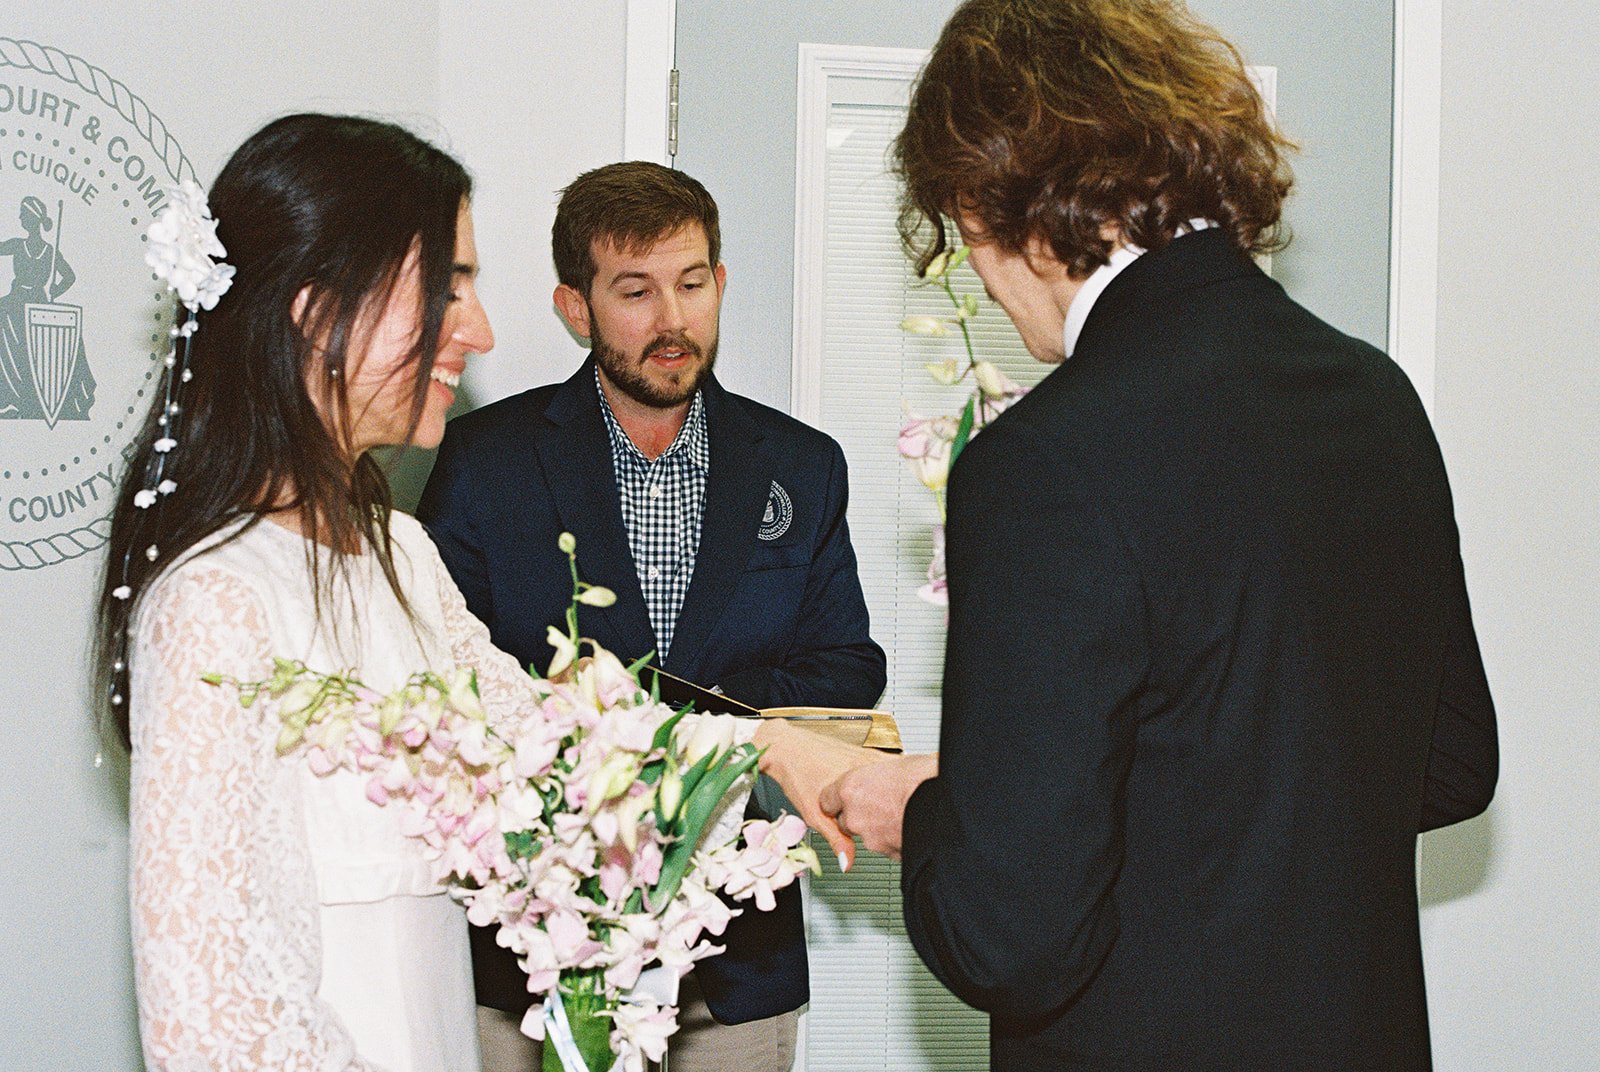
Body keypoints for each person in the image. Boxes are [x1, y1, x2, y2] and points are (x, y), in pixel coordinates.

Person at [96, 115, 858, 1072]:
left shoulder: (399, 557)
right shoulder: (218, 603)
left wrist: (777, 748)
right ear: (315, 308)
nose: (482, 329)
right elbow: (214, 1028)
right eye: (446, 287)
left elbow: (558, 738)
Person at [819, 2, 1499, 1070]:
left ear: (987, 195)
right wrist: (1042, 784)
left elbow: (1007, 935)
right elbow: (1449, 763)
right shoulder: (1375, 397)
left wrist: (939, 811)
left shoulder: (1043, 459)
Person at [417, 161, 886, 1072]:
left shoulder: (802, 464)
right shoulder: (483, 462)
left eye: (693, 283)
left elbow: (847, 667)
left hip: (737, 954)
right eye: (635, 292)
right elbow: (444, 686)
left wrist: (686, 718)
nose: (672, 321)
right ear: (575, 308)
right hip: (540, 952)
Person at [0, 195, 95, 421]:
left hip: (31, 303)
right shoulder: (18, 245)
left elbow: (69, 276)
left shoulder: (49, 251)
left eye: (23, 214)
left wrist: (55, 291)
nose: (20, 218)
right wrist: (54, 290)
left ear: (31, 220)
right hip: (20, 299)